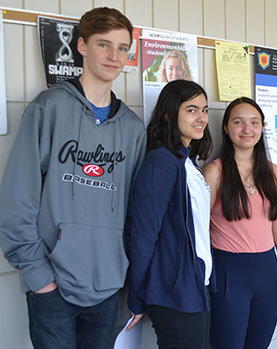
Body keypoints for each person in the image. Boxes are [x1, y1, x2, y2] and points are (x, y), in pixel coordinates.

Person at [0, 7, 146, 348]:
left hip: (108, 287)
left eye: (123, 48)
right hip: (53, 285)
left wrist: (124, 270)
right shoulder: (48, 108)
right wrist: (39, 277)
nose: (114, 56)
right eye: (104, 45)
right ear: (81, 46)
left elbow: (134, 213)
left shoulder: (132, 128)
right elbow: (16, 199)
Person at [126, 80, 213, 348]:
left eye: (205, 109)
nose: (201, 118)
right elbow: (143, 233)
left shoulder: (186, 160)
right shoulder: (162, 161)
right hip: (174, 292)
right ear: (168, 113)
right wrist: (136, 295)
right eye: (191, 110)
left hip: (193, 285)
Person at [203, 97, 277, 348]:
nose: (247, 129)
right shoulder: (214, 172)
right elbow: (198, 230)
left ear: (262, 128)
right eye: (238, 122)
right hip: (229, 272)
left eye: (254, 123)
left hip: (267, 271)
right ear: (226, 127)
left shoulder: (272, 172)